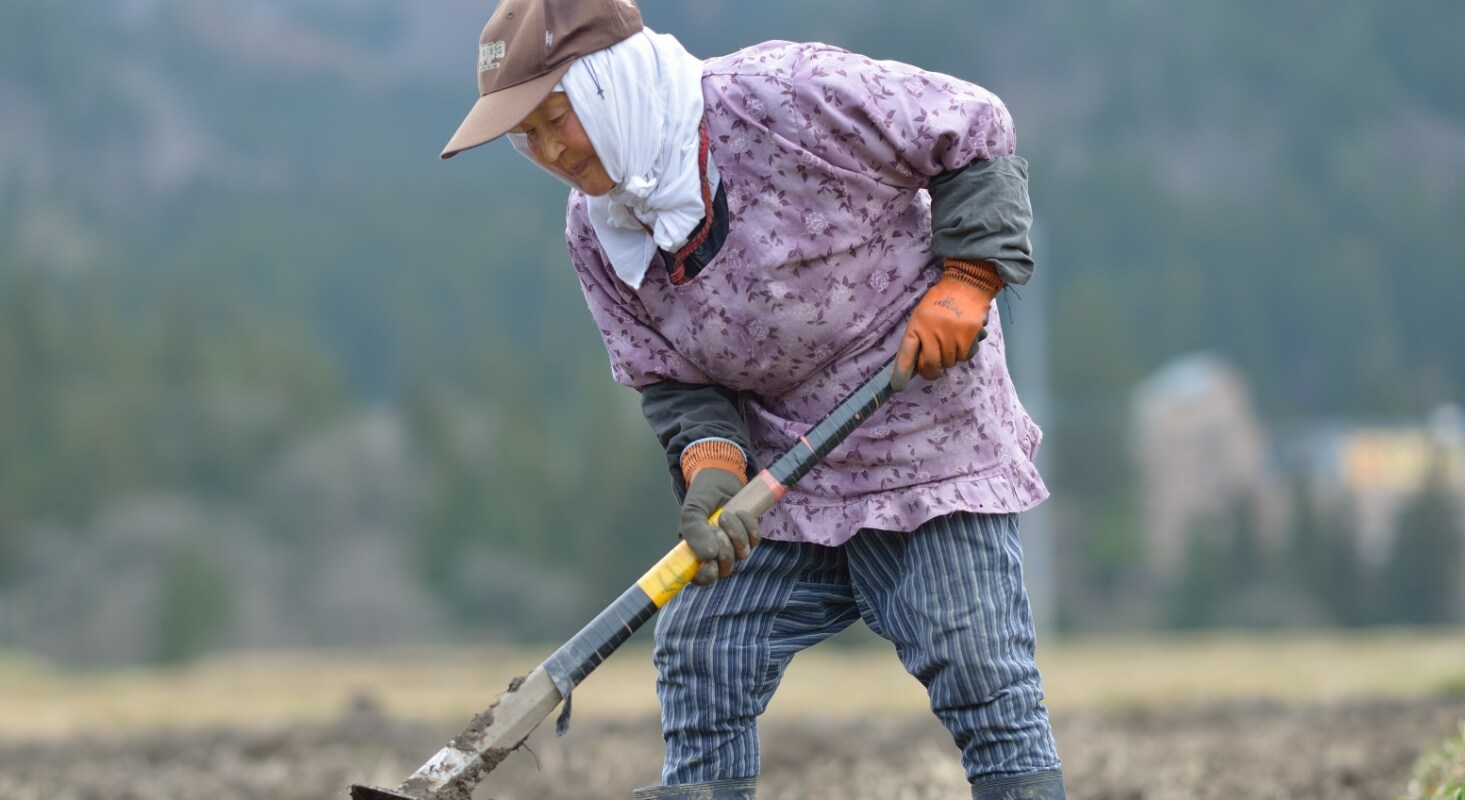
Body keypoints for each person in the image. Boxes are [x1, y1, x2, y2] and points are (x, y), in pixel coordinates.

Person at [442, 0, 1064, 797]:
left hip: (924, 436)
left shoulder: (783, 95)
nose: (550, 151)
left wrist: (969, 277)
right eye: (525, 137)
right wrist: (711, 466)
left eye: (556, 118)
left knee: (979, 667)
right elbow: (666, 372)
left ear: (609, 85)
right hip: (783, 473)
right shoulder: (598, 231)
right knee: (703, 647)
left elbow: (974, 127)